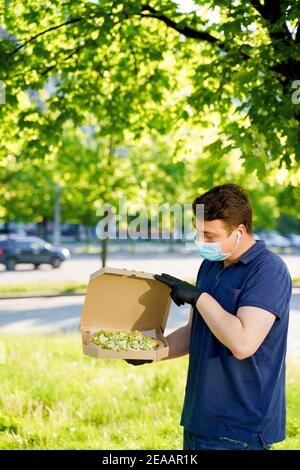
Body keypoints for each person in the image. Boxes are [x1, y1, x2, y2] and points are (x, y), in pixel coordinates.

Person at [127, 184, 292, 451]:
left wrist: (199, 298)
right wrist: (151, 351)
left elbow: (242, 343)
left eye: (209, 235)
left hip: (240, 429)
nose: (200, 241)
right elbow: (195, 333)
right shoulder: (211, 265)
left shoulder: (268, 270)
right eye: (198, 231)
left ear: (239, 231)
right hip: (199, 420)